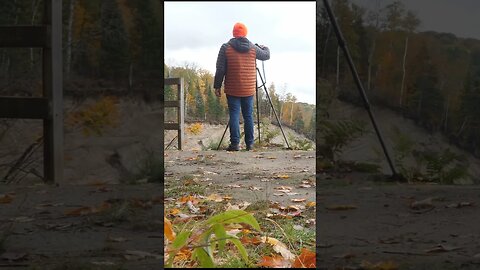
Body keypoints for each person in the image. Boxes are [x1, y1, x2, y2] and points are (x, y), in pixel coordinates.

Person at [214, 22, 270, 151]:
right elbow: (266, 56)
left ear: (234, 33)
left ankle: (235, 144)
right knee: (248, 115)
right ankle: (250, 144)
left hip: (233, 88)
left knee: (234, 115)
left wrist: (217, 86)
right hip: (248, 89)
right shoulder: (253, 48)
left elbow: (220, 69)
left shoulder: (226, 47)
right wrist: (264, 47)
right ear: (245, 33)